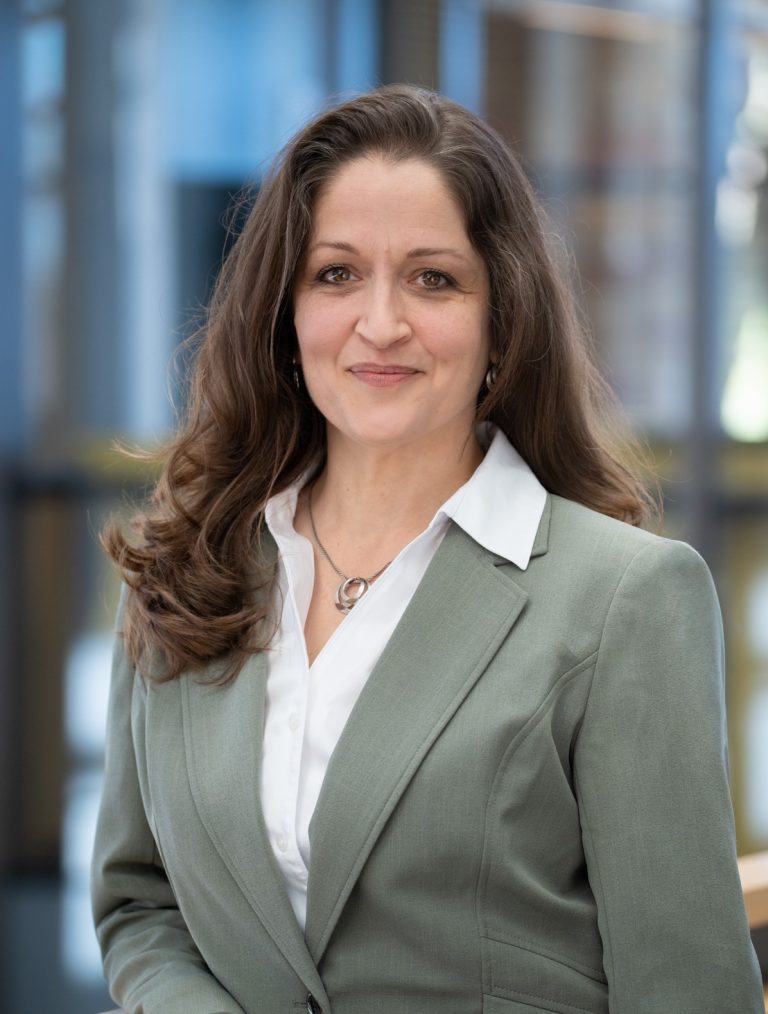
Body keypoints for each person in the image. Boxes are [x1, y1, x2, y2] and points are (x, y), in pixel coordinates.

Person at [91, 85, 763, 1014]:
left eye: (432, 278)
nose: (381, 323)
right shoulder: (183, 567)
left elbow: (687, 990)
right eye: (335, 274)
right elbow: (141, 904)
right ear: (284, 314)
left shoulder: (625, 600)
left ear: (501, 318)